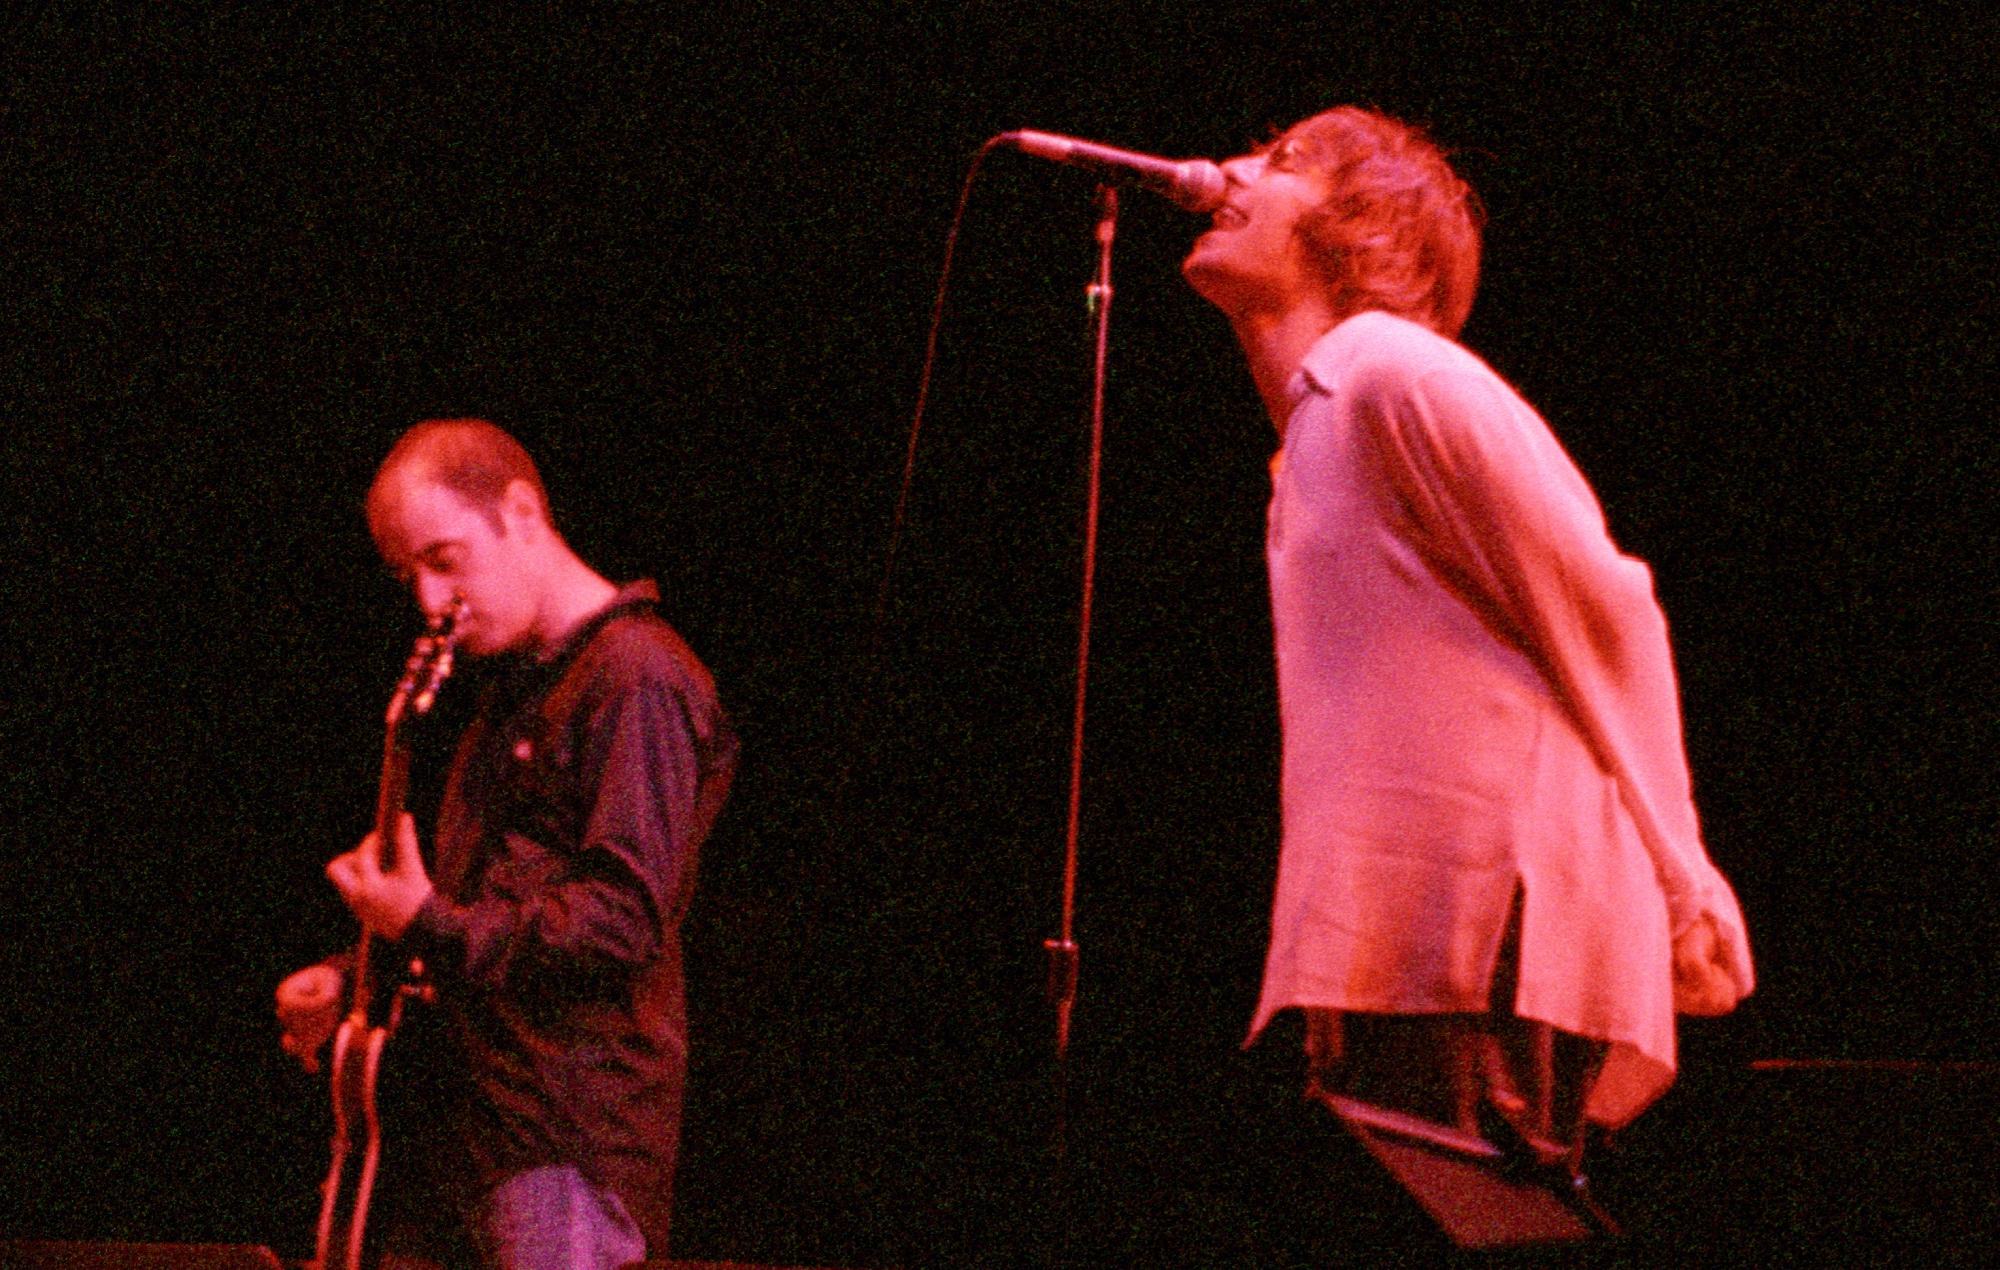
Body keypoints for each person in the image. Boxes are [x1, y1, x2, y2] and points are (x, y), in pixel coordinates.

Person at [1181, 108, 1753, 1143]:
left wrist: (1686, 884)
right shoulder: (1315, 429)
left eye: (1285, 159)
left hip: (1480, 925)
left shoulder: (1394, 370)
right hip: (1399, 934)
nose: (1229, 169)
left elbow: (1604, 609)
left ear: (1365, 230)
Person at [276, 419, 737, 1270]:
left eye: (444, 559)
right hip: (459, 1140)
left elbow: (621, 920)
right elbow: (473, 914)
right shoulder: (505, 705)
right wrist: (351, 978)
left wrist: (422, 923)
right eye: (408, 572)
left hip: (560, 1150)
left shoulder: (638, 675)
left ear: (522, 511)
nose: (428, 599)